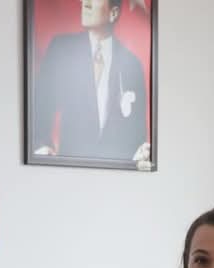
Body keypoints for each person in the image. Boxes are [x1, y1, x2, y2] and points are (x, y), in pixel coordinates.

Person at [32, 0, 148, 162]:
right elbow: (41, 107)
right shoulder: (62, 49)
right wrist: (41, 149)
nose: (85, 4)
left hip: (116, 173)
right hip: (66, 169)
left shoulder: (132, 64)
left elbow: (138, 134)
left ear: (113, 13)